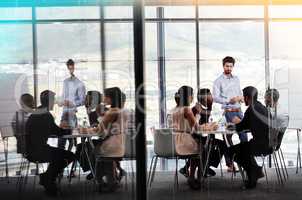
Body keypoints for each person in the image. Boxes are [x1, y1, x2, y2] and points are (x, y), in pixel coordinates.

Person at [25, 90, 76, 196]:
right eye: (54, 100)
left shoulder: (37, 113)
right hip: (39, 151)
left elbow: (50, 130)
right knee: (69, 156)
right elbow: (58, 132)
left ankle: (47, 178)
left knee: (58, 155)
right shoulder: (46, 115)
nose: (55, 103)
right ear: (50, 101)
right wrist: (70, 130)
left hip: (31, 150)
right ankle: (48, 179)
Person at [169, 86, 218, 190]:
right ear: (189, 97)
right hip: (182, 141)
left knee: (198, 146)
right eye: (192, 95)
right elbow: (197, 128)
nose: (192, 98)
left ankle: (191, 176)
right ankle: (198, 178)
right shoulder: (187, 110)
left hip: (172, 141)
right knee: (203, 149)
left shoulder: (173, 109)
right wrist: (211, 126)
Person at [84, 87, 128, 192]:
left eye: (105, 96)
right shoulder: (120, 110)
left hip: (112, 146)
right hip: (119, 144)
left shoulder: (112, 112)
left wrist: (84, 129)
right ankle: (107, 180)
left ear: (110, 98)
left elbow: (99, 130)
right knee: (94, 151)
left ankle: (106, 181)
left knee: (89, 150)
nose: (103, 98)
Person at [228, 86, 270, 189]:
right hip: (270, 144)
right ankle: (256, 171)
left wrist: (233, 124)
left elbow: (241, 127)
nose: (243, 99)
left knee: (232, 151)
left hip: (259, 145)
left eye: (243, 96)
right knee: (243, 147)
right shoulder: (262, 107)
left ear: (247, 97)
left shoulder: (251, 110)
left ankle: (253, 176)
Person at [212, 56, 248, 172]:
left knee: (235, 136)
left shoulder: (236, 79)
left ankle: (238, 162)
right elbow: (215, 98)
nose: (229, 68)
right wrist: (228, 100)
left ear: (233, 66)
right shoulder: (218, 81)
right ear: (223, 66)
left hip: (239, 110)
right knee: (235, 136)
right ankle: (236, 163)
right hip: (229, 112)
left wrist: (241, 98)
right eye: (227, 66)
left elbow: (239, 92)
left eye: (231, 66)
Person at [58, 59, 86, 150]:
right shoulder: (65, 82)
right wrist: (60, 102)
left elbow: (82, 101)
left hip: (73, 113)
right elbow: (64, 97)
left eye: (72, 68)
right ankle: (64, 158)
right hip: (65, 112)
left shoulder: (80, 84)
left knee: (69, 139)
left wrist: (72, 103)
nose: (70, 71)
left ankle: (68, 158)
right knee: (63, 138)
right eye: (69, 68)